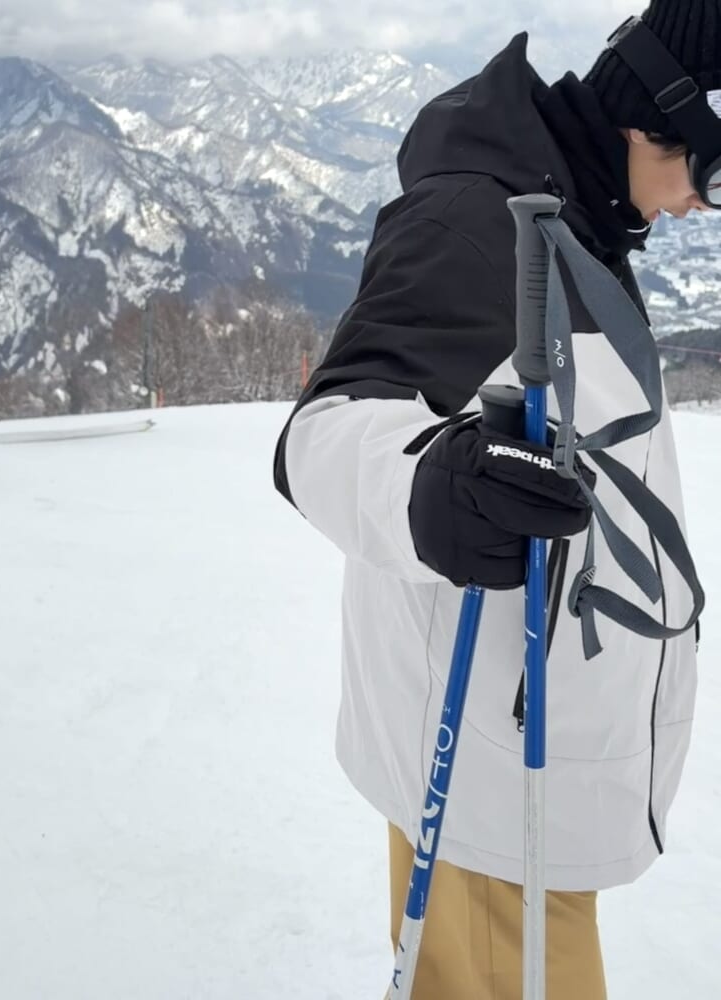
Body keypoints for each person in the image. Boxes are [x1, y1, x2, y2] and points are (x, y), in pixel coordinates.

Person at [272, 4, 714, 998]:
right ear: (657, 120)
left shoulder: (584, 218)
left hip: (532, 763)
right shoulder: (480, 219)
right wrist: (431, 491)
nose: (700, 207)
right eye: (712, 175)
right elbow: (327, 430)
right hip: (482, 778)